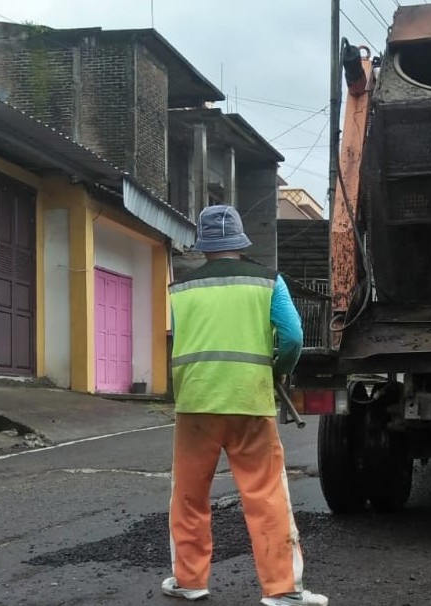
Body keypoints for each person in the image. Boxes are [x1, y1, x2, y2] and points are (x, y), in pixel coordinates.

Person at [162, 205, 328, 606]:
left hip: (196, 403)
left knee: (188, 494)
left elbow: (180, 340)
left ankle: (189, 581)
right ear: (239, 241)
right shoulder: (269, 282)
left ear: (204, 246)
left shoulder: (181, 288)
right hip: (250, 402)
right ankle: (282, 590)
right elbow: (291, 337)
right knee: (266, 493)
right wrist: (280, 371)